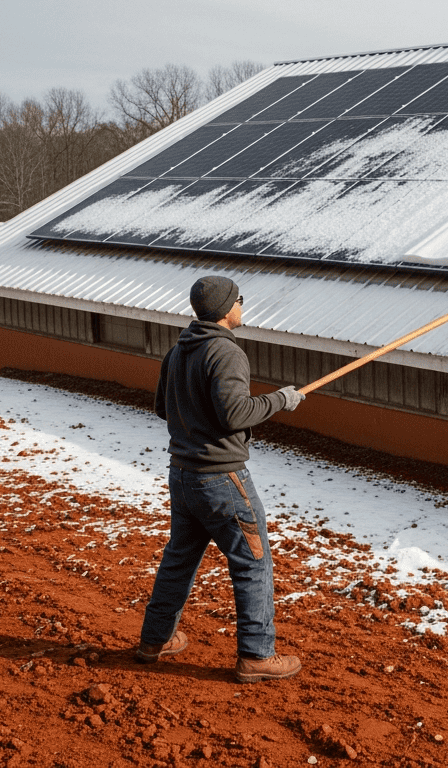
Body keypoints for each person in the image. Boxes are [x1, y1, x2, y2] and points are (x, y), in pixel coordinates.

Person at [135, 275, 306, 683]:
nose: (242, 306)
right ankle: (257, 655)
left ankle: (155, 640)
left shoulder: (179, 350)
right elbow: (234, 414)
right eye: (240, 300)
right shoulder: (226, 352)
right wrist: (282, 399)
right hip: (221, 479)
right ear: (227, 308)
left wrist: (195, 418)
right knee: (253, 563)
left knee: (179, 559)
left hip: (183, 475)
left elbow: (163, 408)